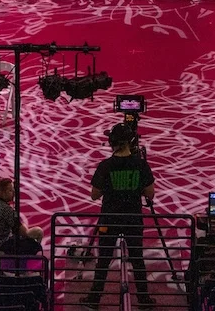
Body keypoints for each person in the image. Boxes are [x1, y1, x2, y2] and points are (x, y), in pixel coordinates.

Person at [80, 123, 155, 309]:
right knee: (137, 260)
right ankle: (144, 300)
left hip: (109, 219)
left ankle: (94, 299)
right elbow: (150, 193)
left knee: (103, 260)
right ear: (131, 142)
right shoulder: (141, 165)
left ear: (111, 143)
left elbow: (94, 194)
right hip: (133, 219)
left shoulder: (105, 166)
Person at [0, 177, 43, 256]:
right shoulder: (5, 209)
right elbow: (24, 232)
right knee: (34, 240)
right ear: (1, 192)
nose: (13, 192)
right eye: (10, 190)